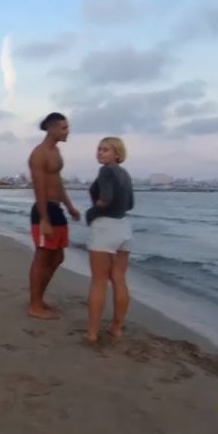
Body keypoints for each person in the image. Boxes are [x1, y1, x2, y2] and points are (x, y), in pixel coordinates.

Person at [27, 112, 81, 320]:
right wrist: (44, 219)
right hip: (44, 211)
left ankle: (38, 298)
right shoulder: (39, 154)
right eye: (64, 128)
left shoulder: (56, 151)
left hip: (56, 209)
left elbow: (57, 183)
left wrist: (69, 206)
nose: (67, 131)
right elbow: (39, 188)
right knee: (42, 257)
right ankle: (34, 305)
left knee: (58, 257)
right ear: (51, 128)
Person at [84, 136, 135, 343]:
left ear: (117, 153)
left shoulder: (105, 171)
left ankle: (92, 333)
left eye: (106, 149)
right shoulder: (125, 174)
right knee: (119, 279)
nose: (100, 152)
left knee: (99, 282)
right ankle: (116, 328)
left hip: (105, 227)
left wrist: (91, 212)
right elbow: (130, 204)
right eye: (99, 148)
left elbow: (105, 199)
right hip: (124, 227)